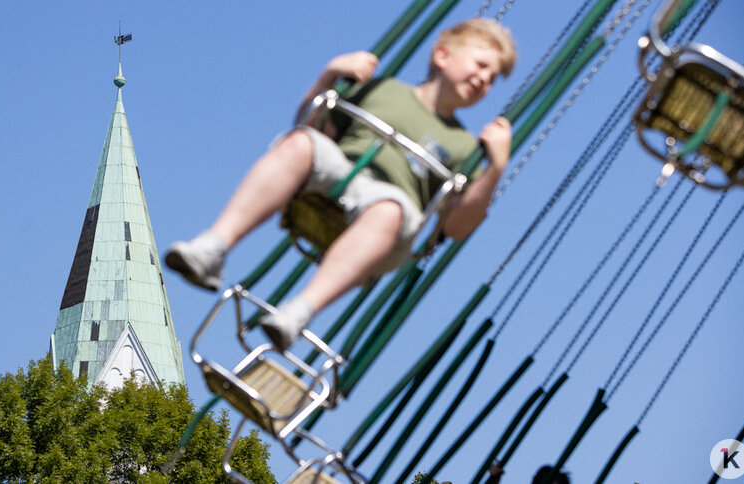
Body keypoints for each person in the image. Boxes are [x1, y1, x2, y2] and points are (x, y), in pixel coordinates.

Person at [165, 18, 517, 351]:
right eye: (482, 65)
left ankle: (300, 310)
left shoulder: (464, 146)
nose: (485, 80)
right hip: (338, 174)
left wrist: (496, 166)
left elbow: (456, 227)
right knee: (301, 143)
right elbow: (312, 124)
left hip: (387, 209)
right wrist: (330, 74)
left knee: (390, 209)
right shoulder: (385, 89)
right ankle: (213, 246)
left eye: (493, 78)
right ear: (443, 55)